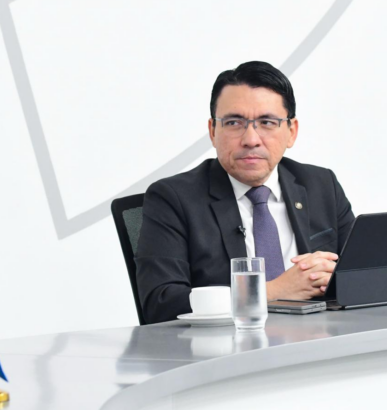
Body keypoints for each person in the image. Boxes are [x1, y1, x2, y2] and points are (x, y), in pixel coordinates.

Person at [136, 61, 355, 324]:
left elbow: (365, 275)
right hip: (223, 346)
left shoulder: (321, 185)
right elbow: (160, 303)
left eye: (267, 122)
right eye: (234, 122)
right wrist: (272, 292)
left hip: (318, 341)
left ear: (291, 132)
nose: (251, 139)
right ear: (213, 131)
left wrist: (334, 278)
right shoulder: (173, 198)